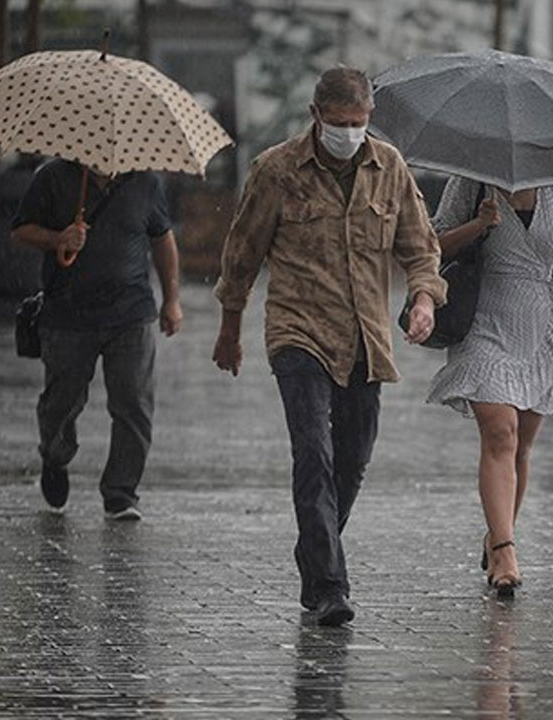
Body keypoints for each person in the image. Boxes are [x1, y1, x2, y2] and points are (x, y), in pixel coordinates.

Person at [211, 67, 446, 627]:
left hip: (366, 337)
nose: (349, 133)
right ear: (316, 116)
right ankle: (328, 587)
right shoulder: (277, 170)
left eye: (359, 123)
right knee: (312, 452)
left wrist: (423, 300)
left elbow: (420, 249)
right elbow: (242, 254)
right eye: (339, 123)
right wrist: (228, 327)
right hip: (299, 332)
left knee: (352, 461)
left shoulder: (388, 167)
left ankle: (315, 549)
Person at [426, 176, 553, 597]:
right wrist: (478, 225)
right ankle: (506, 549)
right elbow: (433, 244)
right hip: (483, 321)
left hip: (538, 324)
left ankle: (496, 533)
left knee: (521, 446)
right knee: (499, 433)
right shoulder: (471, 179)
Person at [12, 160, 182, 521]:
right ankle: (55, 456)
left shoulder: (146, 181)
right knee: (61, 402)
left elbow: (163, 238)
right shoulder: (53, 177)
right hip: (68, 315)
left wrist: (172, 300)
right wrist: (58, 238)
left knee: (134, 404)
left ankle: (121, 493)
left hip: (131, 313)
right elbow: (20, 231)